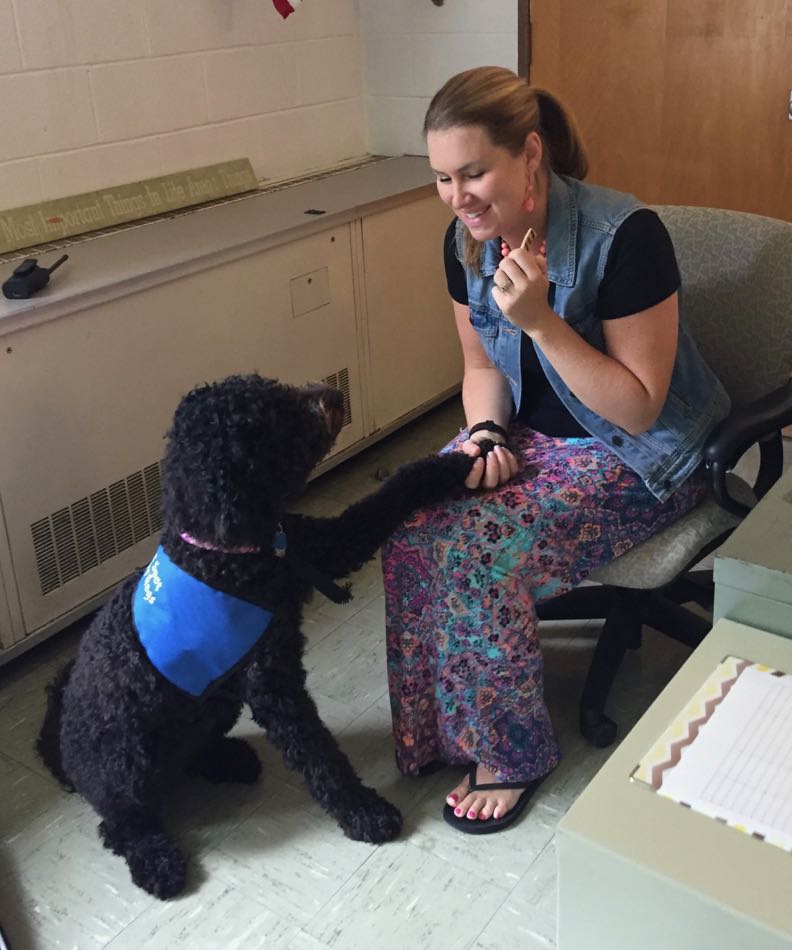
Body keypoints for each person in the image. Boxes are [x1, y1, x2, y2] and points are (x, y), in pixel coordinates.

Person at [382, 66, 730, 835]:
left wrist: (541, 320)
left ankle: (510, 753)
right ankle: (443, 729)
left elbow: (638, 408)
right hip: (533, 441)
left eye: (474, 172)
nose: (458, 197)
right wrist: (484, 434)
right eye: (442, 177)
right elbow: (480, 367)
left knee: (477, 551)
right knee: (410, 522)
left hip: (645, 457)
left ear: (529, 154)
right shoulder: (465, 242)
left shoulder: (625, 236)